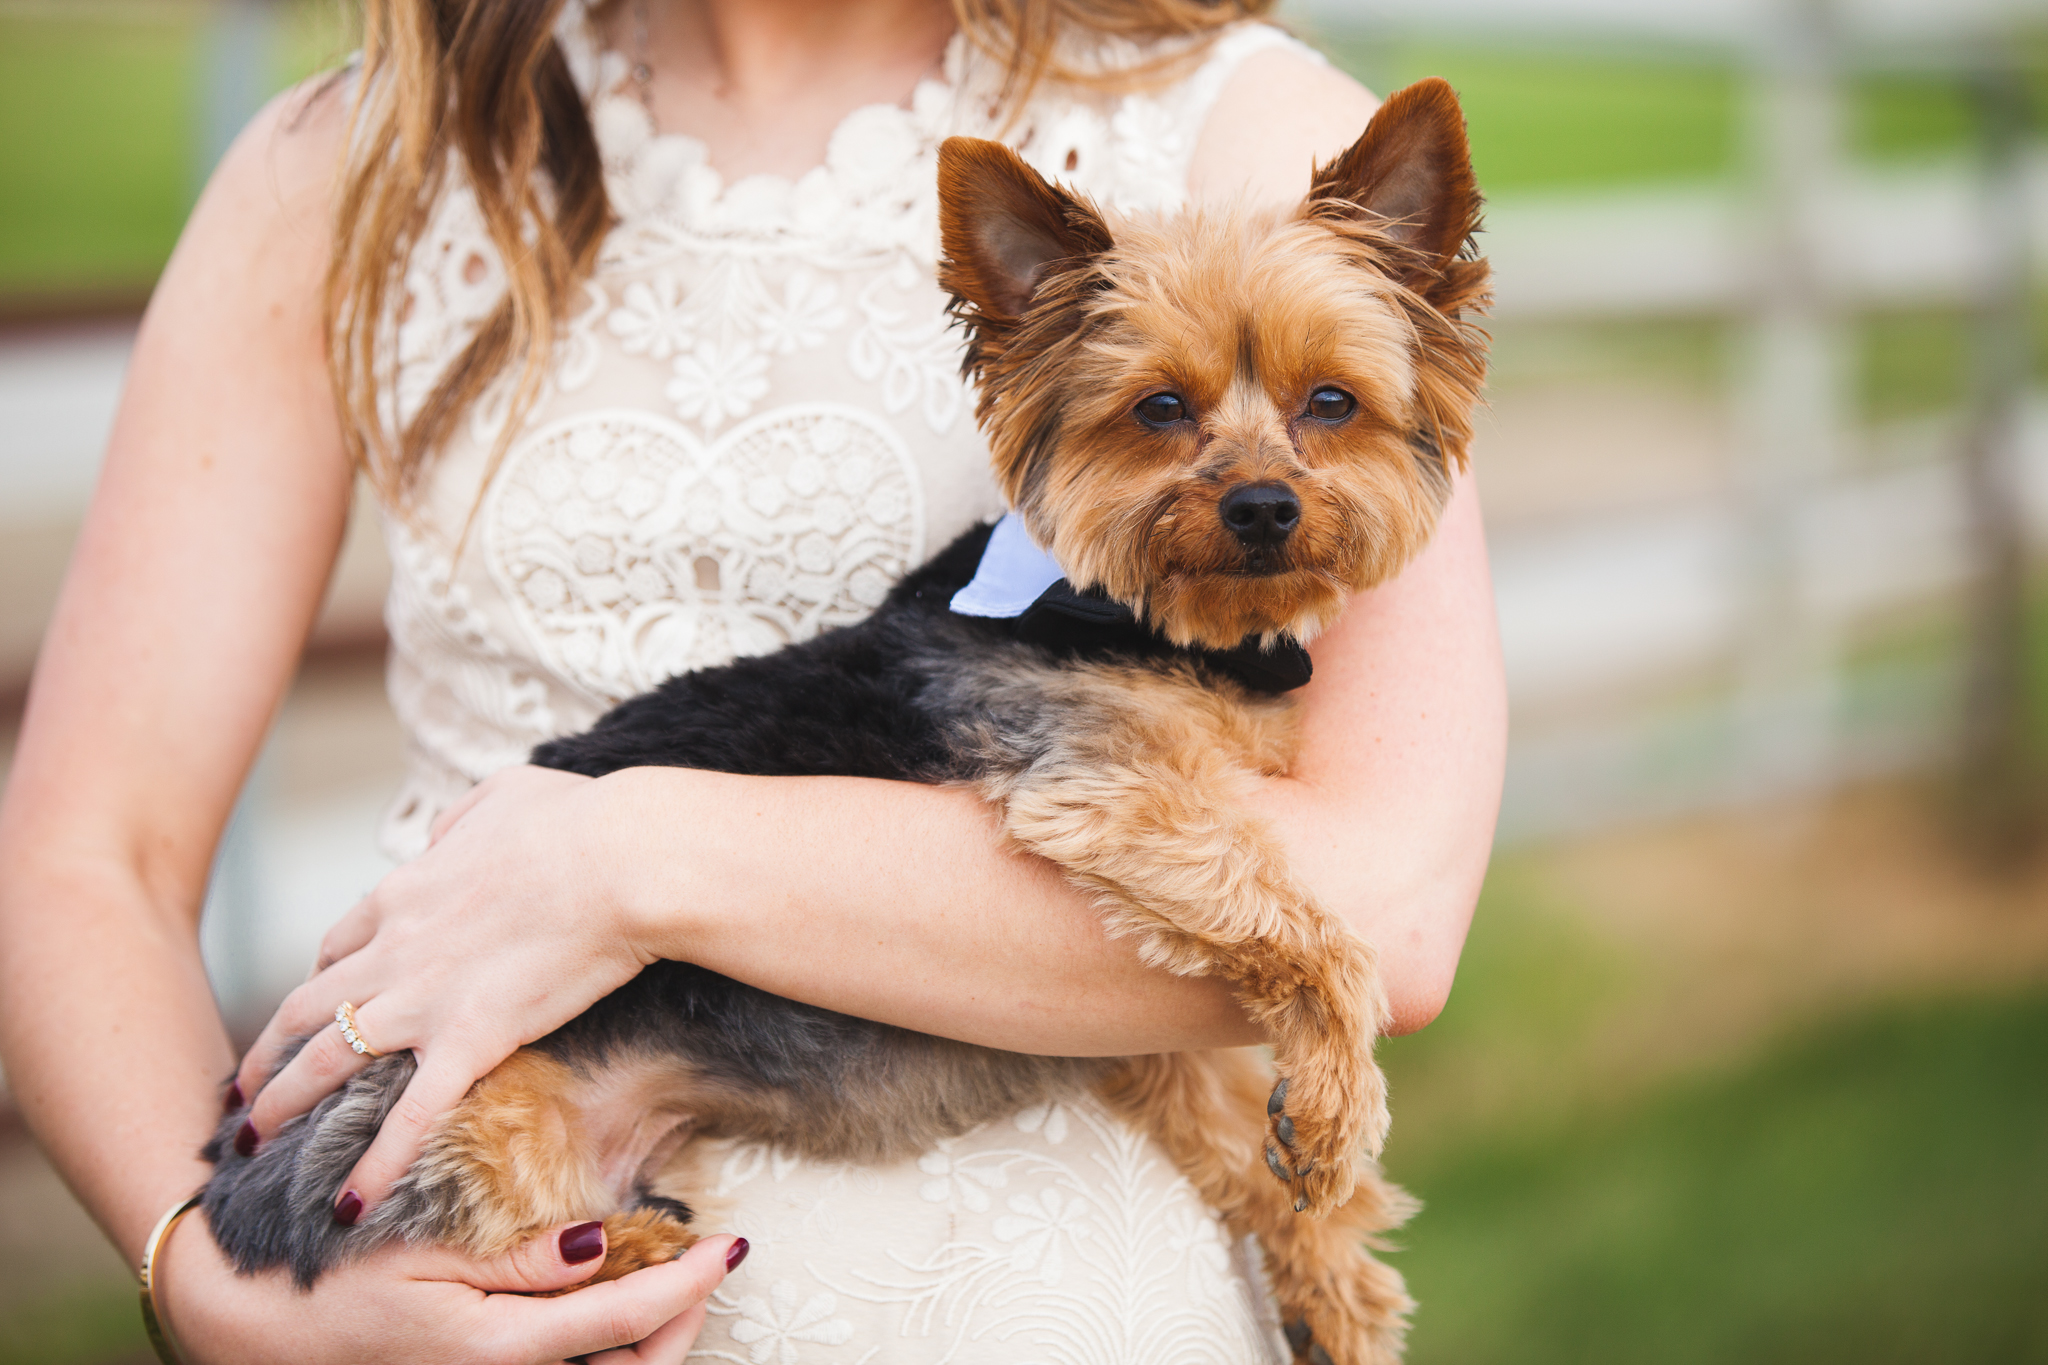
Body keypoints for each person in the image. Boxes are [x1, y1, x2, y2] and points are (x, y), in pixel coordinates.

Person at [0, 0, 1506, 1360]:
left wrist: (625, 854)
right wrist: (201, 1280)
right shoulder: (350, 167)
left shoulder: (1258, 131)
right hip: (488, 1179)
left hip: (1069, 1291)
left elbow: (1389, 914)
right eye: (1168, 408)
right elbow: (83, 849)